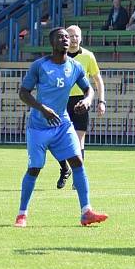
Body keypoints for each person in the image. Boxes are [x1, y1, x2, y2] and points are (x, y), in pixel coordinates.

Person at [14, 27, 109, 228]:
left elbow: (88, 89)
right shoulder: (40, 66)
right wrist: (41, 108)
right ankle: (22, 214)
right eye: (61, 37)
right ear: (52, 43)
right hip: (39, 126)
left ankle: (86, 211)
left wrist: (88, 100)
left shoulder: (75, 67)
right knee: (35, 168)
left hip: (62, 125)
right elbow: (23, 93)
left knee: (77, 161)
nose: (65, 40)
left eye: (67, 37)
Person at [55, 25, 106, 189]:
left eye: (77, 36)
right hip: (61, 101)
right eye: (71, 36)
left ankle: (78, 178)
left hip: (81, 101)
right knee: (56, 140)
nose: (74, 39)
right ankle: (64, 169)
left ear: (81, 38)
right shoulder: (58, 56)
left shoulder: (88, 56)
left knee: (78, 140)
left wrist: (101, 101)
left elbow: (98, 80)